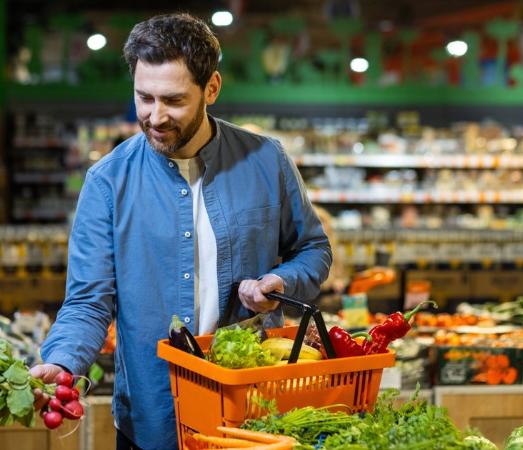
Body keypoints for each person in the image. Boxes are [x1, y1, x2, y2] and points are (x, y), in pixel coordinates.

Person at [30, 13, 332, 450]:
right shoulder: (107, 182)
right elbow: (88, 301)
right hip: (152, 420)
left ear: (212, 89)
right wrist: (63, 362)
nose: (155, 116)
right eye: (144, 98)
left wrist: (282, 281)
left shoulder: (267, 161)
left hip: (253, 414)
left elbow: (313, 249)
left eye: (173, 100)